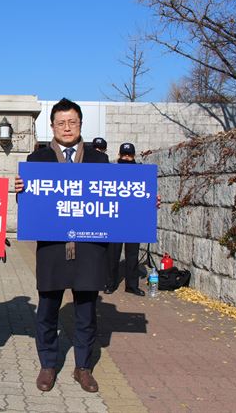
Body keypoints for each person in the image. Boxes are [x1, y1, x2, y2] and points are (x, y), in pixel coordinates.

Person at [14, 98, 108, 393]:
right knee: (47, 309)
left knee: (85, 311)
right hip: (53, 249)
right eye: (61, 123)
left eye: (73, 122)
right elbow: (32, 208)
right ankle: (48, 364)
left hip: (89, 248)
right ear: (52, 126)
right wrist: (21, 192)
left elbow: (115, 201)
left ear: (81, 124)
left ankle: (83, 367)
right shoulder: (37, 161)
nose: (67, 128)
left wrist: (143, 204)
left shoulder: (99, 160)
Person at [105, 142, 144, 296]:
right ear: (119, 155)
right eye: (124, 155)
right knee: (112, 255)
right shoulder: (112, 171)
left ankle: (132, 285)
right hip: (115, 219)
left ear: (133, 156)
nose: (127, 158)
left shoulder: (141, 172)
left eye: (129, 155)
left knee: (133, 255)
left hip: (133, 220)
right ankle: (110, 283)